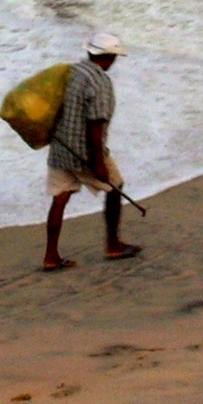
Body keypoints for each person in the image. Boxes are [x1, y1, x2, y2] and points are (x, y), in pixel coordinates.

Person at [42, 31, 142, 271]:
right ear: (108, 57)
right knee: (115, 186)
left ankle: (51, 255)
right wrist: (98, 163)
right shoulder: (100, 82)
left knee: (60, 198)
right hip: (85, 151)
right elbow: (95, 125)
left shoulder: (73, 72)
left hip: (61, 147)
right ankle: (113, 244)